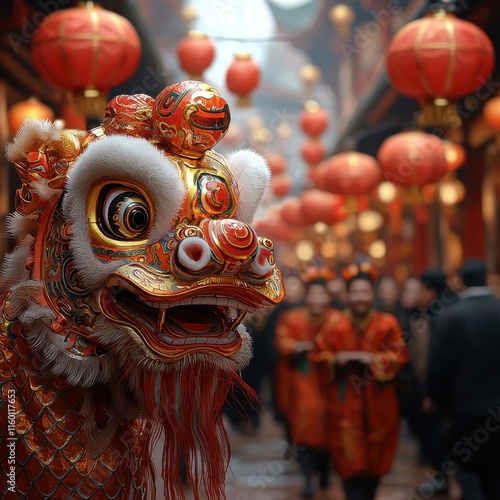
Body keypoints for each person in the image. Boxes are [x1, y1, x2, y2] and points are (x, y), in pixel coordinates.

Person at [311, 262, 409, 500]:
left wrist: (373, 360)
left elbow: (400, 355)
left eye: (365, 292)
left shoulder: (387, 324)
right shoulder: (334, 324)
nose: (360, 297)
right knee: (348, 462)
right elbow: (318, 354)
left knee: (376, 463)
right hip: (344, 404)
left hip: (380, 401)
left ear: (372, 294)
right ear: (348, 295)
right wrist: (337, 360)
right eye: (355, 292)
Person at [426, 260, 500, 500]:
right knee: (495, 470)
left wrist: (433, 396)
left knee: (467, 468)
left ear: (462, 281)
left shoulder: (452, 315)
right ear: (486, 279)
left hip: (463, 407)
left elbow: (440, 365)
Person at [274, 269, 338, 498]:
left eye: (322, 295)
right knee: (303, 427)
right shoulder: (292, 318)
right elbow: (282, 341)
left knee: (329, 427)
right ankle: (308, 477)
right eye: (313, 294)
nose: (317, 300)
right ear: (307, 296)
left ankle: (323, 469)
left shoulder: (336, 319)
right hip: (301, 380)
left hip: (330, 380)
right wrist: (297, 347)